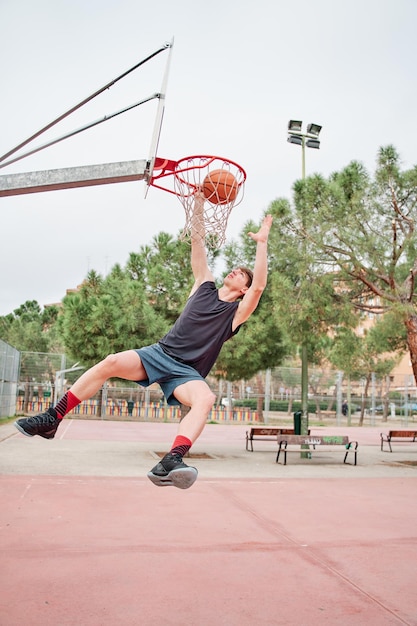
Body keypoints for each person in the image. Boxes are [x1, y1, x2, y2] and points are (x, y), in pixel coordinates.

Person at [15, 192, 273, 489]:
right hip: (159, 353)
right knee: (110, 362)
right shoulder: (203, 285)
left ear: (243, 289)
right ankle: (52, 418)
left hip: (186, 373)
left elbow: (260, 287)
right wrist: (199, 205)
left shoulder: (235, 313)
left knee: (206, 398)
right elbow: (198, 244)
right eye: (237, 269)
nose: (237, 271)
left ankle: (171, 460)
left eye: (243, 274)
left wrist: (262, 244)